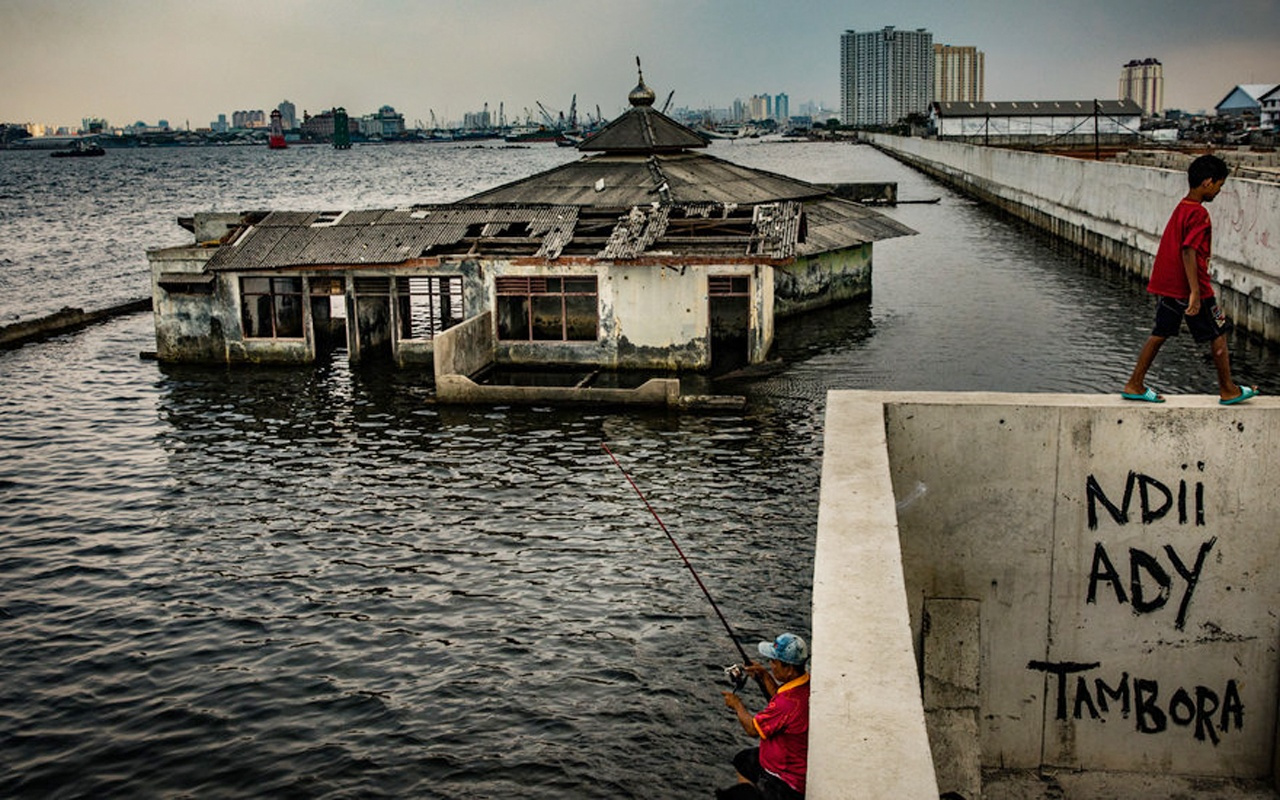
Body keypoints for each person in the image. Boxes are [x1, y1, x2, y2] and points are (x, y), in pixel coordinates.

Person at [1122, 153, 1258, 405]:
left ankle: (1135, 383)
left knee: (1160, 332)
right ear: (1208, 182)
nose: (1218, 191)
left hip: (1171, 286)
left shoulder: (1182, 208)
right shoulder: (1199, 214)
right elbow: (1188, 250)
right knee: (1219, 330)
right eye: (1219, 185)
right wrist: (1195, 291)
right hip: (1194, 288)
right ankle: (1228, 389)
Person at [718, 632, 809, 800]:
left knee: (744, 772)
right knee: (743, 760)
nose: (771, 664)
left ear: (788, 669)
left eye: (774, 662)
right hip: (796, 764)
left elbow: (752, 729)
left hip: (785, 779)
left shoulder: (787, 703)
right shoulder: (805, 684)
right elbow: (779, 699)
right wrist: (765, 675)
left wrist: (737, 704)